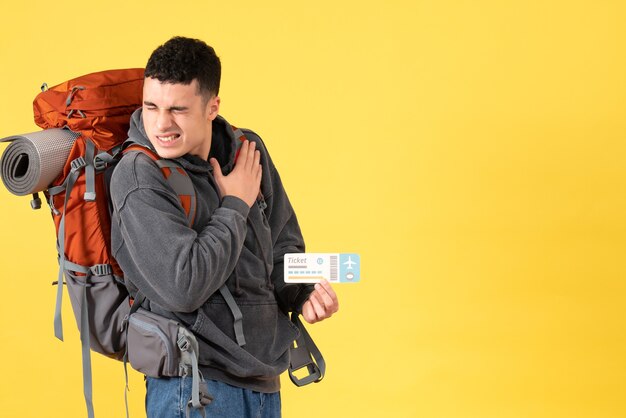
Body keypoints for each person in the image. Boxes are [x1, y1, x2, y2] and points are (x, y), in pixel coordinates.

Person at [109, 36, 339, 418]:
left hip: (264, 379)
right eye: (151, 106)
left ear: (212, 107)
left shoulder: (247, 151)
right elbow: (183, 286)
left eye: (178, 110)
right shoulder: (138, 175)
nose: (161, 124)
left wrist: (303, 293)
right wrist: (235, 203)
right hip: (192, 387)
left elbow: (284, 245)